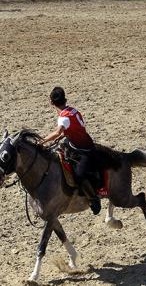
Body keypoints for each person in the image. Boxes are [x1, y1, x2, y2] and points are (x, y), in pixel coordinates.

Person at [39, 87, 101, 215]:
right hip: (75, 142)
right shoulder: (72, 110)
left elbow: (57, 132)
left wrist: (41, 142)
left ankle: (93, 199)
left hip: (83, 149)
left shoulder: (63, 117)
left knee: (79, 175)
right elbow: (75, 128)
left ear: (51, 102)